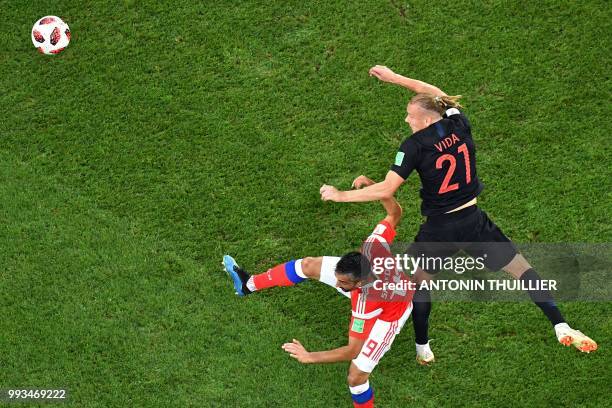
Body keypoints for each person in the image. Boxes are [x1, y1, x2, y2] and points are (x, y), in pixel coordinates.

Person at [319, 66, 597, 363]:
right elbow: (438, 95)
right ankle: (560, 324)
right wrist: (396, 79)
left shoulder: (413, 146)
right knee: (522, 270)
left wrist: (341, 195)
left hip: (440, 229)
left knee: (419, 284)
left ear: (425, 120)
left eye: (409, 116)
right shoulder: (458, 122)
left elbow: (387, 188)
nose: (406, 119)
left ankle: (423, 349)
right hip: (473, 221)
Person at [223, 176, 412, 408]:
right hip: (378, 288)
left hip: (391, 313)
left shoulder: (364, 302)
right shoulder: (373, 245)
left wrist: (309, 356)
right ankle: (247, 285)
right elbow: (395, 214)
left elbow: (353, 350)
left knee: (356, 377)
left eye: (341, 282)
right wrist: (376, 187)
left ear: (358, 284)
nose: (336, 282)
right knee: (309, 265)